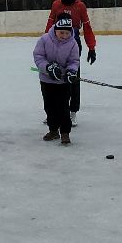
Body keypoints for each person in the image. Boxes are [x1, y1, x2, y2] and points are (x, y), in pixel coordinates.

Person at [44, 0, 97, 120]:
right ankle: (54, 111)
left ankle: (73, 111)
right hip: (56, 43)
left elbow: (87, 27)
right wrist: (46, 42)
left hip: (74, 44)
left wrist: (91, 48)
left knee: (72, 77)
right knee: (55, 77)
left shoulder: (80, 6)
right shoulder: (56, 5)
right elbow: (50, 25)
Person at [33, 13, 83, 145]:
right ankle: (53, 130)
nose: (64, 36)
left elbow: (74, 61)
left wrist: (71, 71)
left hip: (63, 82)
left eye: (67, 33)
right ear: (55, 29)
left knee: (63, 107)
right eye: (61, 33)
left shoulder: (73, 43)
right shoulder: (44, 39)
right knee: (49, 107)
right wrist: (48, 68)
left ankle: (65, 132)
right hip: (47, 81)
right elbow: (38, 57)